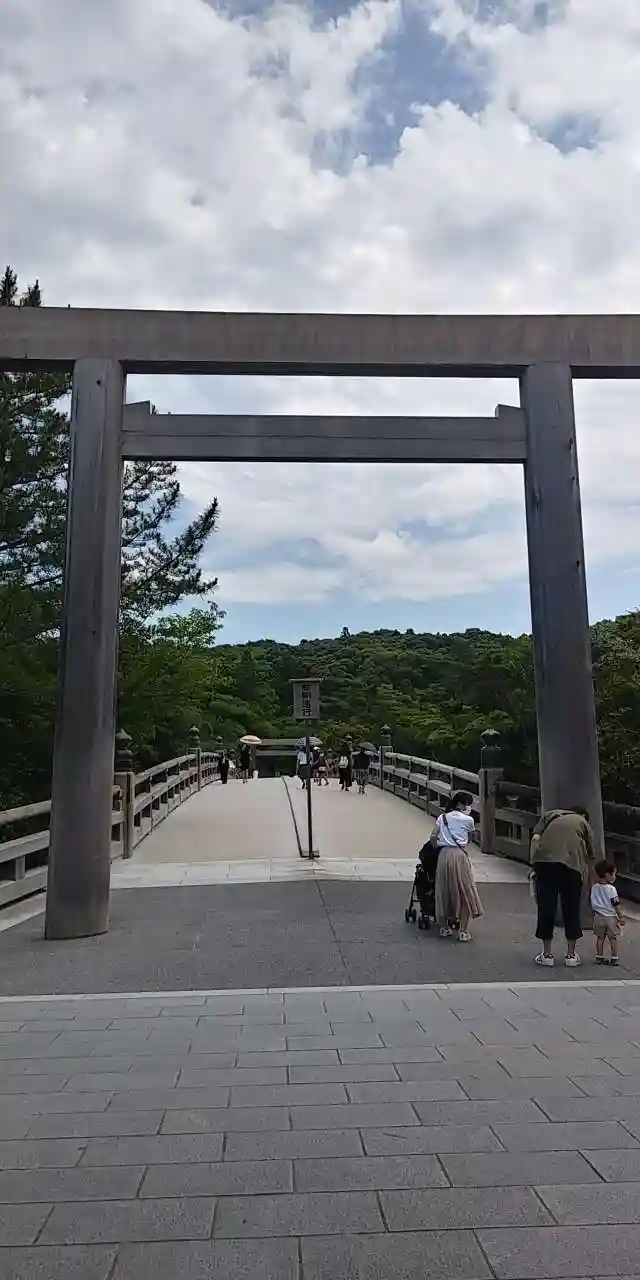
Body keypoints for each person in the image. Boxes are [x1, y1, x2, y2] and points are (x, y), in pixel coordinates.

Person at [530, 806, 596, 969]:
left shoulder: (549, 815)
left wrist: (533, 865)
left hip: (545, 863)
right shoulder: (583, 822)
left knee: (546, 908)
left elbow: (535, 839)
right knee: (571, 908)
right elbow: (591, 852)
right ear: (583, 816)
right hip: (572, 867)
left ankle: (546, 954)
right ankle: (571, 955)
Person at [434, 791, 483, 942]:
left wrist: (439, 846)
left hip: (444, 855)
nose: (469, 807)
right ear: (462, 804)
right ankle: (463, 931)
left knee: (444, 890)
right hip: (460, 855)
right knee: (465, 891)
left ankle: (444, 927)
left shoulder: (442, 817)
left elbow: (433, 836)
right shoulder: (468, 820)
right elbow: (470, 838)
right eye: (468, 804)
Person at [590, 859, 625, 966]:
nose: (615, 876)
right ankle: (614, 957)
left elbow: (592, 901)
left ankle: (599, 957)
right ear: (607, 875)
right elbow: (616, 904)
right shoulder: (611, 889)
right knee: (612, 938)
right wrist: (620, 916)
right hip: (611, 917)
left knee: (600, 938)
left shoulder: (594, 887)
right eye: (613, 874)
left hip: (598, 916)